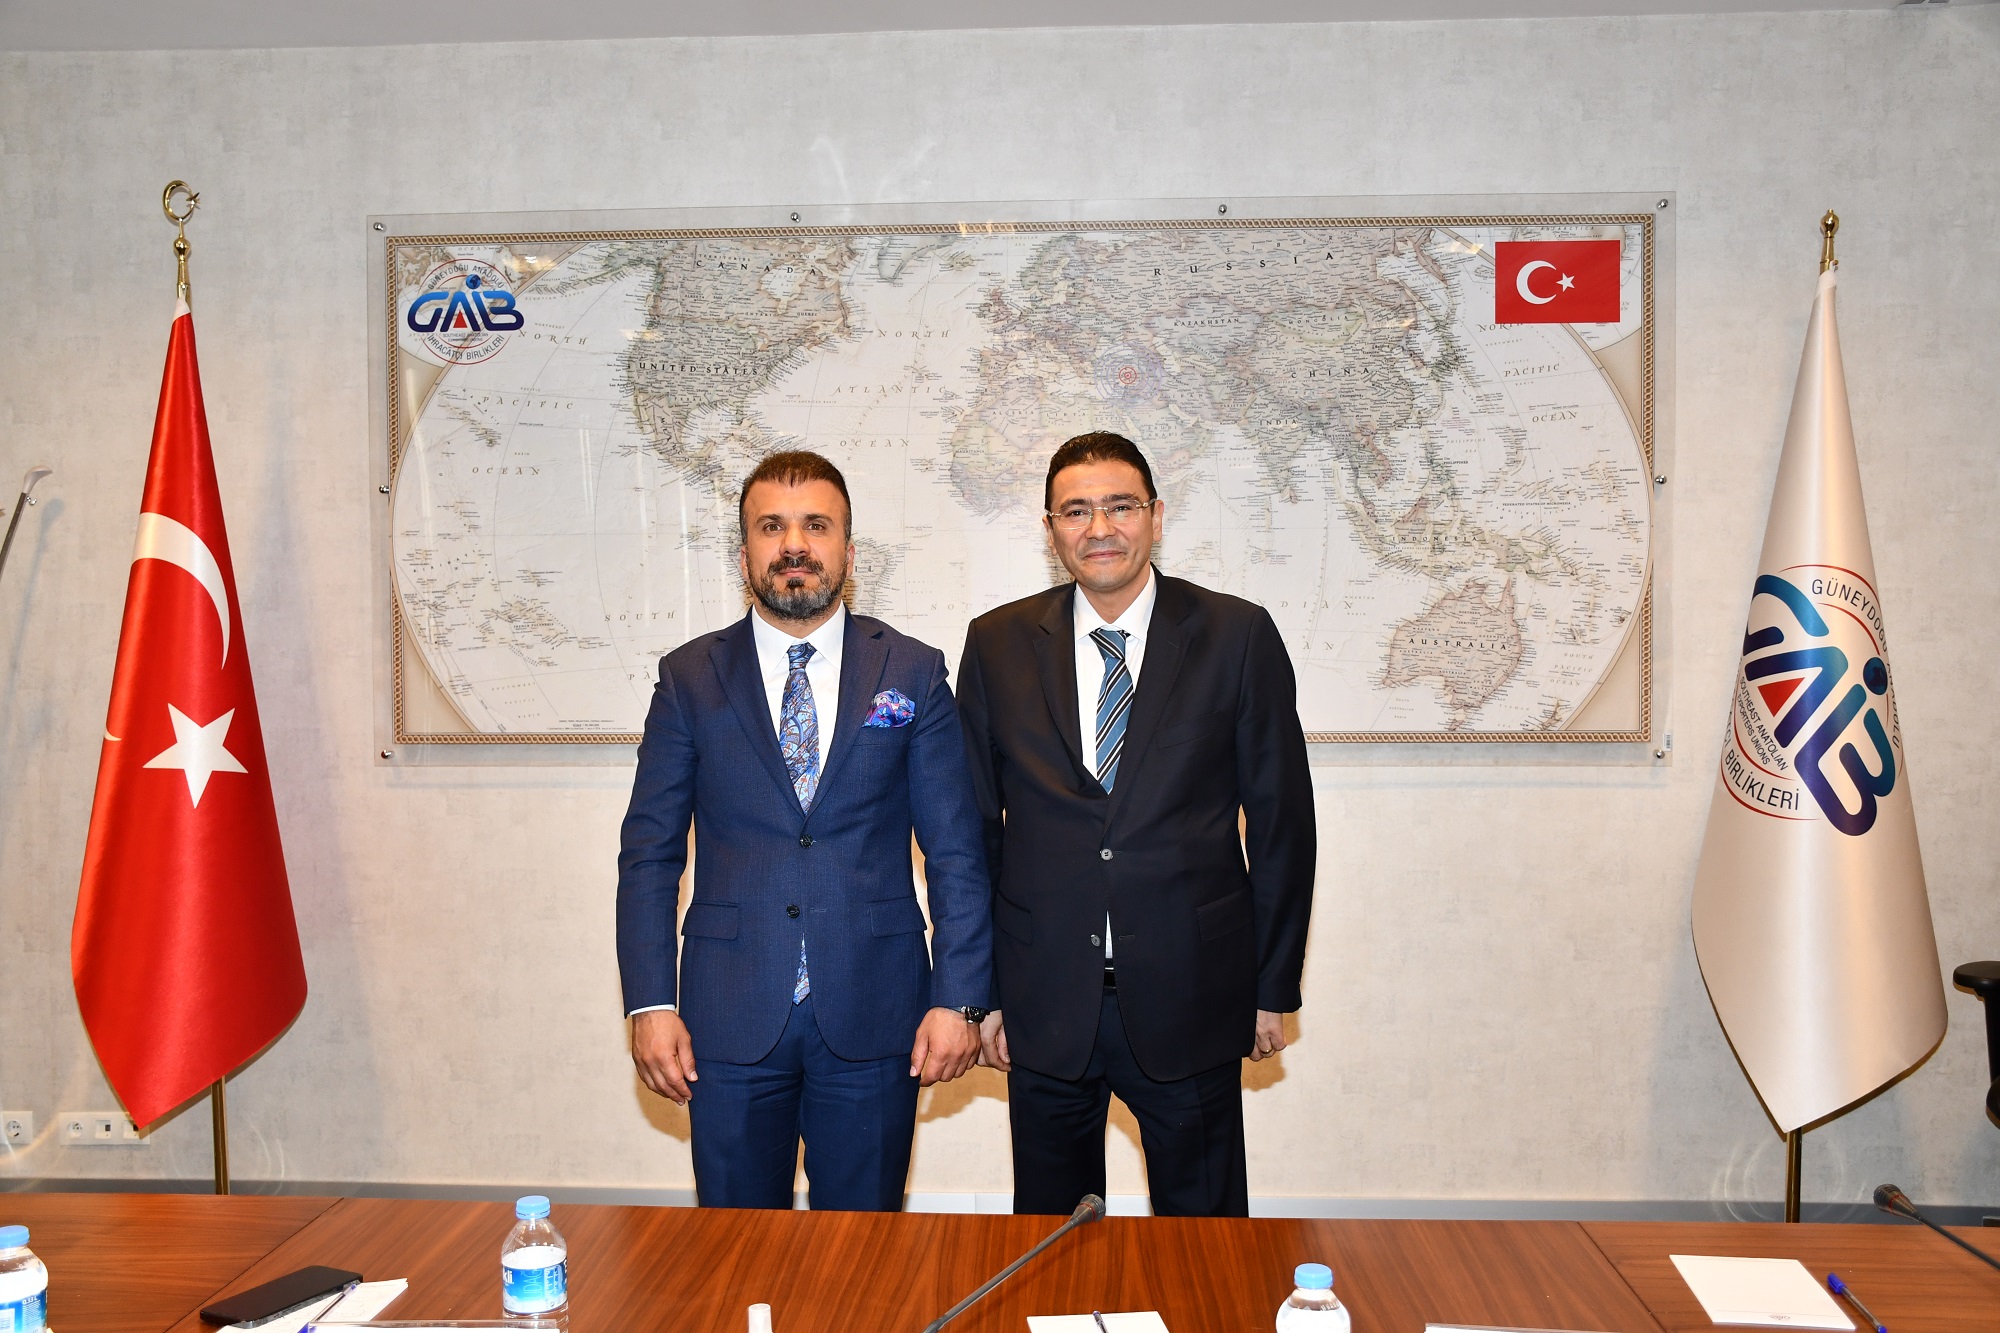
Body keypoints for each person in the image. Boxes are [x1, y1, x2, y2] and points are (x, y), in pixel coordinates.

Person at [616, 450, 993, 1211]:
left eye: (816, 525)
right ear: (745, 553)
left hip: (876, 1011)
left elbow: (956, 851)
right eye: (772, 527)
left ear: (848, 551)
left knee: (861, 1252)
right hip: (727, 1014)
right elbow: (649, 855)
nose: (795, 544)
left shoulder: (912, 672)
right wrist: (649, 1003)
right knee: (733, 1249)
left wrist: (959, 1000)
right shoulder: (689, 677)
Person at [957, 431, 1316, 1218]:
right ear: (1050, 528)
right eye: (1076, 511)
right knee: (1051, 1241)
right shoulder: (996, 643)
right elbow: (973, 835)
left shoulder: (1236, 635)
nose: (1100, 528)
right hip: (1045, 1002)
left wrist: (1270, 987)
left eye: (1120, 506)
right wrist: (981, 995)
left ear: (1155, 515)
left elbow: (1283, 824)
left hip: (1195, 996)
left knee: (1205, 1244)